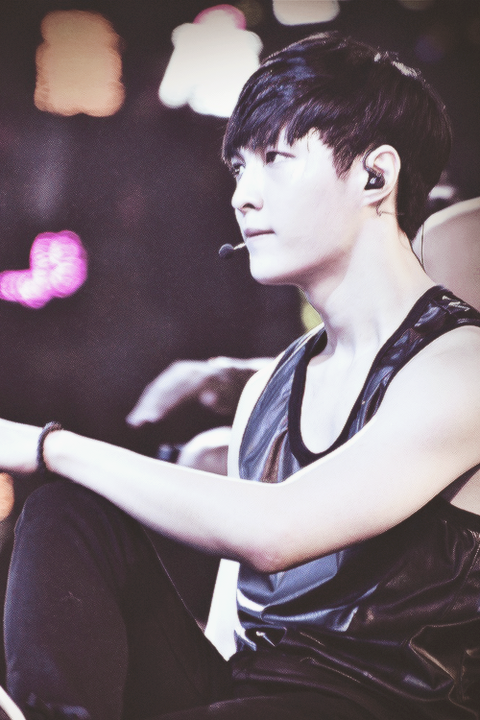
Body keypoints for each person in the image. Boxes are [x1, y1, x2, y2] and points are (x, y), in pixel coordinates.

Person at [1, 32, 479, 720]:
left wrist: (48, 444)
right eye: (237, 169)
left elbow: (275, 530)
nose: (242, 198)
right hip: (245, 693)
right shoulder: (272, 389)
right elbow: (239, 614)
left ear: (375, 177)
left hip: (376, 705)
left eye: (275, 160)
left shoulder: (462, 366)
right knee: (68, 513)